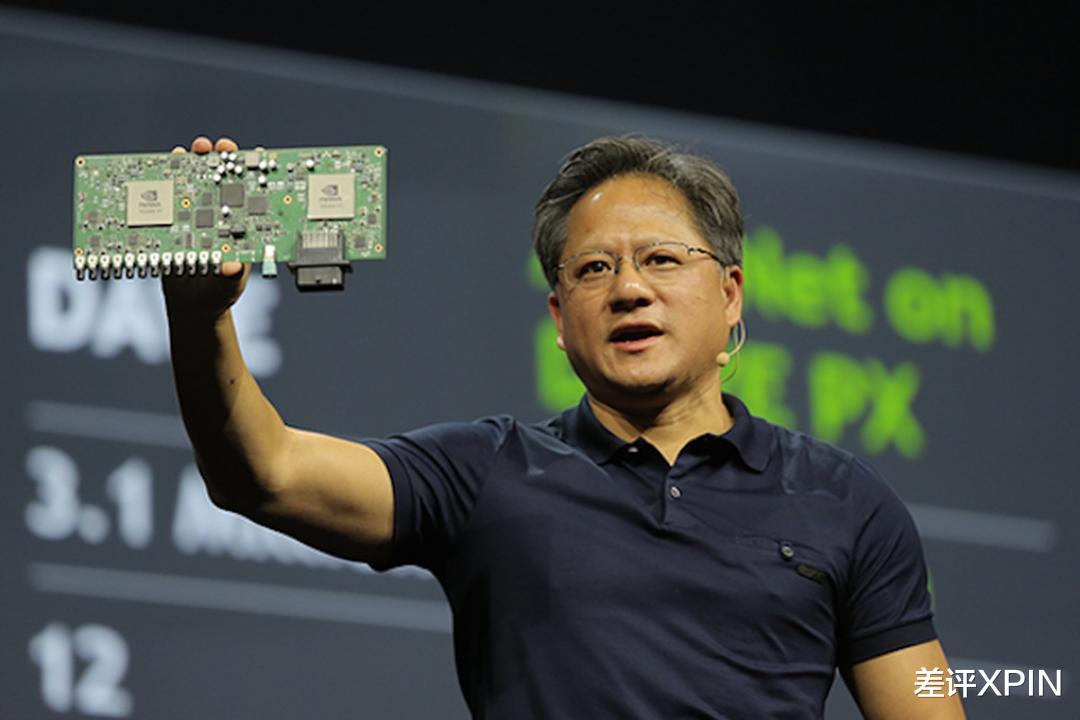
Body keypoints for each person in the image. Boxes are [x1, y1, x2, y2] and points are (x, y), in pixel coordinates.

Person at [165, 134, 966, 719]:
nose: (628, 289)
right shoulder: (485, 474)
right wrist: (202, 321)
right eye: (593, 268)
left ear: (730, 295)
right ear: (558, 317)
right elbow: (264, 473)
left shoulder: (846, 502)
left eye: (661, 259)